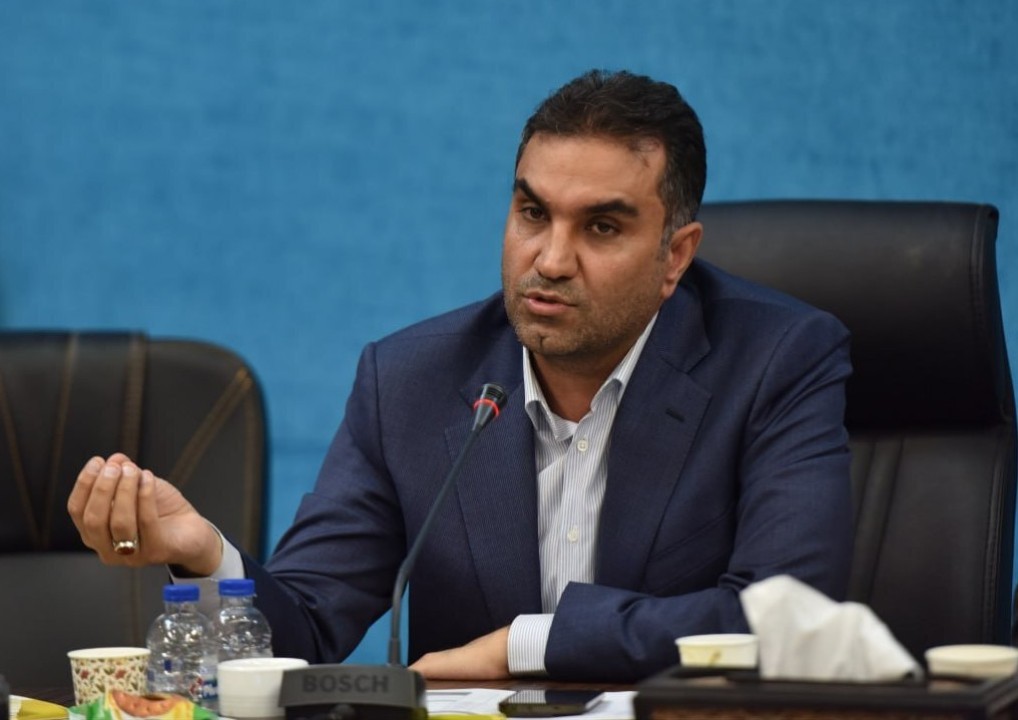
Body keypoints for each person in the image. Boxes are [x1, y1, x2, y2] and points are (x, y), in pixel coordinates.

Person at [67, 69, 853, 682]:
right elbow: (305, 629)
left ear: (675, 256)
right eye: (533, 213)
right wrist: (206, 553)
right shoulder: (410, 380)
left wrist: (527, 644)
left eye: (601, 227)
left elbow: (786, 620)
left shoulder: (778, 362)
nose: (551, 260)